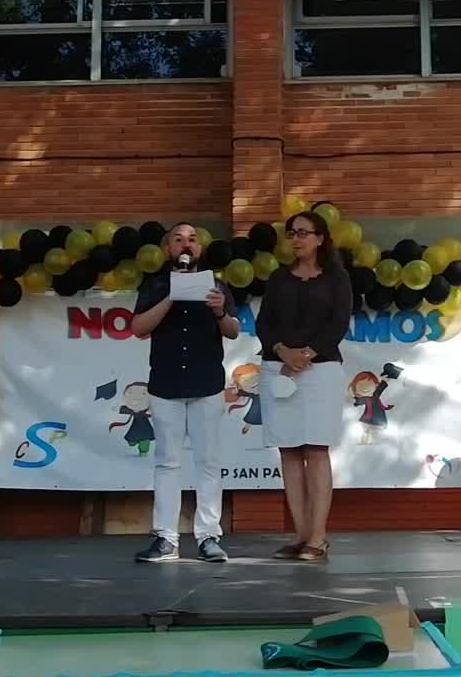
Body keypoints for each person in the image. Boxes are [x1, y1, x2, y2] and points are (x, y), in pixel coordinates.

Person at [131, 223, 240, 563]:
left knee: (208, 463)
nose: (186, 245)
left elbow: (234, 331)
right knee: (167, 462)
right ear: (168, 250)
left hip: (206, 385)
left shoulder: (216, 285)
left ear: (200, 249)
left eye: (192, 240)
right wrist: (171, 297)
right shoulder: (155, 285)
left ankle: (208, 537)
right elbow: (138, 328)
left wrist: (219, 310)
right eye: (178, 240)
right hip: (166, 385)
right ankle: (166, 538)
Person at [256, 211, 352, 561]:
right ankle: (299, 534)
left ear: (320, 238)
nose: (296, 239)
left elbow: (338, 323)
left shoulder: (337, 278)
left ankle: (318, 537)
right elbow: (264, 323)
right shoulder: (279, 278)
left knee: (315, 449)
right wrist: (283, 351)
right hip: (278, 367)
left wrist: (307, 354)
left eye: (303, 233)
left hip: (321, 369)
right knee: (289, 450)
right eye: (292, 233)